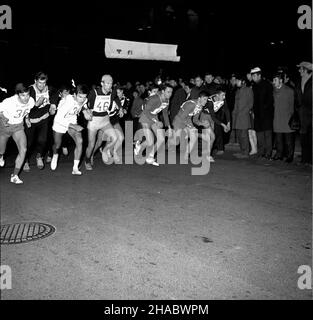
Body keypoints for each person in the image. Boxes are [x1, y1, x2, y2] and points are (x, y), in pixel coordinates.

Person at [50, 84, 92, 174]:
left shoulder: (84, 100)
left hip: (72, 120)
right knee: (57, 145)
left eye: (84, 97)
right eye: (80, 97)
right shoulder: (68, 102)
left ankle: (75, 168)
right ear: (75, 94)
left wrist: (86, 112)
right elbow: (58, 118)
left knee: (80, 141)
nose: (82, 99)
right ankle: (55, 154)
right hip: (60, 122)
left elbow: (83, 106)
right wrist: (74, 126)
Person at [0, 83, 35, 184]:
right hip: (5, 127)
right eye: (23, 95)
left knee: (23, 149)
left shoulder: (31, 101)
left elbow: (27, 111)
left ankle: (14, 175)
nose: (26, 97)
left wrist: (27, 118)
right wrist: (2, 119)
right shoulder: (9, 102)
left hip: (18, 127)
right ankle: (1, 156)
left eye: (27, 94)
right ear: (17, 94)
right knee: (1, 150)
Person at [23, 72, 57, 171]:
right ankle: (25, 160)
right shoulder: (29, 90)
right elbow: (24, 107)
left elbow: (55, 93)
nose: (42, 86)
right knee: (29, 143)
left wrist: (53, 105)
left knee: (43, 140)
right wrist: (36, 105)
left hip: (43, 118)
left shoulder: (49, 89)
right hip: (31, 120)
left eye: (44, 83)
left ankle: (39, 156)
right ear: (35, 81)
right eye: (39, 83)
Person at [134, 84, 173, 166]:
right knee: (150, 141)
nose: (170, 94)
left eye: (171, 92)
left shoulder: (167, 100)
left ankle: (150, 157)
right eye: (168, 92)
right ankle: (139, 146)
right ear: (163, 91)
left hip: (154, 117)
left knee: (161, 139)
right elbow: (146, 111)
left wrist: (169, 127)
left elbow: (165, 113)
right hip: (146, 117)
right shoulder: (155, 98)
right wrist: (156, 121)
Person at [84, 74, 118, 170]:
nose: (109, 85)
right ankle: (87, 160)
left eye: (111, 83)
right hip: (94, 121)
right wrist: (86, 112)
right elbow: (84, 103)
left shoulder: (112, 92)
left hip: (105, 121)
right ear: (102, 83)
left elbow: (116, 99)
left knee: (114, 138)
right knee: (92, 144)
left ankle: (104, 151)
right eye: (107, 83)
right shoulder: (94, 92)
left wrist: (120, 108)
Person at [173, 91, 210, 161]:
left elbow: (195, 120)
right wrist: (191, 126)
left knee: (194, 137)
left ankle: (186, 155)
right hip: (179, 121)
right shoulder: (191, 104)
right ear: (199, 99)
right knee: (176, 142)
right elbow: (182, 117)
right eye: (204, 99)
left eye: (207, 100)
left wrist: (202, 123)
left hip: (187, 121)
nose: (206, 101)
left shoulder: (200, 107)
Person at [194, 89, 229, 162]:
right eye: (223, 95)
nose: (224, 97)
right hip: (205, 116)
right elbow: (213, 116)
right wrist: (223, 125)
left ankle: (206, 155)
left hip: (211, 118)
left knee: (212, 137)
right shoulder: (209, 102)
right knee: (210, 137)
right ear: (217, 95)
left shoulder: (222, 99)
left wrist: (228, 123)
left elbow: (227, 110)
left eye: (224, 95)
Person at [251, 67, 274, 159]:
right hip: (257, 114)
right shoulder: (254, 86)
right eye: (252, 76)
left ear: (259, 75)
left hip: (266, 114)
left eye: (254, 76)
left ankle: (268, 153)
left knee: (267, 134)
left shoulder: (267, 84)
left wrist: (266, 110)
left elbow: (270, 100)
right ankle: (261, 152)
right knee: (259, 134)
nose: (253, 77)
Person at [272, 73, 295, 162]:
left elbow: (292, 106)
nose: (273, 82)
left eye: (275, 80)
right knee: (278, 139)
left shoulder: (289, 91)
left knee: (288, 140)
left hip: (286, 118)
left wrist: (290, 116)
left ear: (281, 81)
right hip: (277, 117)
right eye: (273, 80)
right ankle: (279, 154)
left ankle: (289, 156)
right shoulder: (273, 91)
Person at [295, 61, 312, 166]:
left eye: (301, 68)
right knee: (304, 139)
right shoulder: (300, 81)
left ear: (306, 70)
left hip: (311, 114)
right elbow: (297, 97)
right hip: (302, 115)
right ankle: (305, 160)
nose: (299, 70)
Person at [232, 76, 254, 158]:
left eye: (238, 80)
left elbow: (251, 103)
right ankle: (242, 151)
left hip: (244, 116)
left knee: (244, 135)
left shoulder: (248, 90)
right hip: (237, 116)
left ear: (243, 81)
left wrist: (245, 112)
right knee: (239, 135)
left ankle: (245, 153)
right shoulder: (237, 91)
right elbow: (236, 104)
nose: (236, 82)